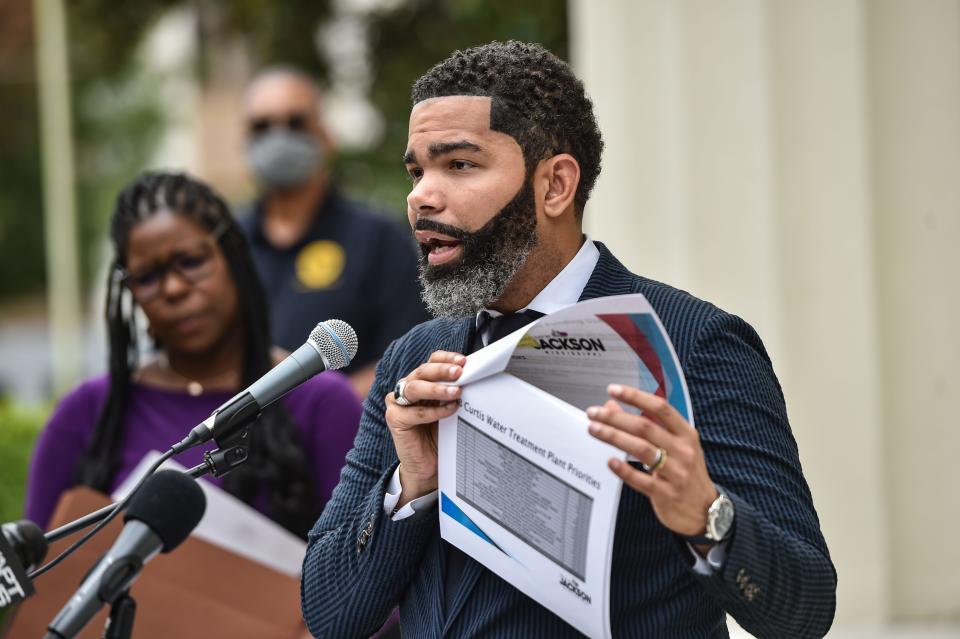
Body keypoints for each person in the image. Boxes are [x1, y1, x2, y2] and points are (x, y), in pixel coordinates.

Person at [299, 41, 837, 638]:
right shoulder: (413, 360)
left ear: (555, 185)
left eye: (458, 165)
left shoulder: (693, 342)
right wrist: (411, 486)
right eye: (416, 171)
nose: (421, 195)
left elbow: (804, 611)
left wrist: (706, 514)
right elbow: (330, 617)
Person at [25, 171, 362, 540]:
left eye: (190, 261)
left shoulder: (322, 402)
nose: (173, 288)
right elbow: (41, 579)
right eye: (148, 277)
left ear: (233, 256)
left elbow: (369, 567)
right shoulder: (87, 412)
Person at [239, 67, 430, 399]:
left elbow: (410, 357)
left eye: (296, 123)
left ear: (326, 134)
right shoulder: (224, 244)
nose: (279, 138)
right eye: (263, 126)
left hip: (345, 439)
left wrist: (314, 406)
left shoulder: (380, 240)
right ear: (245, 141)